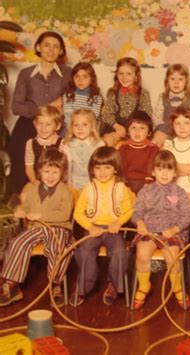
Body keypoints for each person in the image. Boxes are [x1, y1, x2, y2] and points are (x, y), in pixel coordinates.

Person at [0, 148, 74, 307]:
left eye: (55, 172)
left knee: (56, 248)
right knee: (17, 243)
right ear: (39, 171)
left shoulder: (65, 192)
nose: (51, 176)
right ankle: (13, 286)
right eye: (47, 171)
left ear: (62, 173)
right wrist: (19, 210)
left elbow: (65, 215)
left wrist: (40, 215)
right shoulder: (34, 190)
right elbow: (26, 208)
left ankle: (56, 285)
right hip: (37, 228)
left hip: (59, 228)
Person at [8, 31, 71, 194]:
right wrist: (43, 111)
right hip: (28, 124)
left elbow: (76, 95)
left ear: (61, 51)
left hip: (55, 126)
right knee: (19, 160)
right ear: (38, 47)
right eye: (46, 45)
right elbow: (16, 107)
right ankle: (19, 202)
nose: (51, 50)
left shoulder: (68, 74)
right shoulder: (26, 74)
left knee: (54, 164)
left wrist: (63, 100)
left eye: (56, 46)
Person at [71, 146, 133, 306]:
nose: (102, 172)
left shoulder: (121, 188)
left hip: (113, 229)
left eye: (107, 167)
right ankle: (83, 287)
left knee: (119, 252)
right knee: (84, 252)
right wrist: (90, 227)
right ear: (92, 169)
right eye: (98, 168)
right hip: (93, 229)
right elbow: (78, 213)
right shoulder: (88, 189)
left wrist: (118, 222)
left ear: (115, 169)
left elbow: (128, 211)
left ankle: (114, 285)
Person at [132, 150, 190, 310]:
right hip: (150, 231)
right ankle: (144, 286)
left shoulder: (179, 192)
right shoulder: (146, 191)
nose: (164, 173)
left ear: (174, 173)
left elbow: (187, 215)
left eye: (168, 169)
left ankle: (177, 288)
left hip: (172, 233)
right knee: (142, 254)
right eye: (160, 169)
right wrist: (140, 223)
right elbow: (137, 212)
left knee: (171, 255)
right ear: (153, 171)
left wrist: (175, 229)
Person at [101, 57, 152, 147]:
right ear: (117, 75)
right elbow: (106, 114)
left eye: (129, 74)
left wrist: (133, 129)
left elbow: (147, 115)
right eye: (121, 73)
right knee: (108, 140)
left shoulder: (143, 94)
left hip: (136, 128)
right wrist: (116, 126)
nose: (124, 77)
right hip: (117, 127)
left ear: (136, 76)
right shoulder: (113, 93)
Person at [164, 107, 190, 215]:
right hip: (173, 187)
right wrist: (183, 169)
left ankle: (183, 230)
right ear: (172, 125)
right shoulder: (169, 144)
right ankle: (173, 230)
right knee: (169, 209)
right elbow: (166, 168)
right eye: (177, 123)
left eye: (186, 123)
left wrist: (174, 168)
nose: (182, 127)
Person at [152, 64, 190, 147]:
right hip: (165, 132)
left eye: (180, 79)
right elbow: (156, 118)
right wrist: (168, 130)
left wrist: (179, 129)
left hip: (184, 132)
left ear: (186, 82)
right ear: (167, 81)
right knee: (157, 138)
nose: (176, 82)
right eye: (172, 79)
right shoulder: (163, 97)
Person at [61, 108, 105, 193]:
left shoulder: (99, 144)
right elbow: (67, 166)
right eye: (76, 125)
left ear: (92, 127)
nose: (80, 128)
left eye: (84, 124)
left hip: (93, 183)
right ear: (71, 127)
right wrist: (68, 183)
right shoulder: (68, 144)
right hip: (74, 184)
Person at [118, 111, 159, 194]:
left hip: (146, 181)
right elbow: (121, 167)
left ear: (149, 133)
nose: (137, 131)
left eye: (142, 128)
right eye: (133, 127)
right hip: (127, 182)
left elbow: (152, 168)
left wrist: (148, 183)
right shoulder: (123, 148)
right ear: (128, 132)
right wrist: (124, 183)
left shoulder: (153, 149)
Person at [61, 62, 103, 136]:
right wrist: (73, 129)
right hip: (71, 126)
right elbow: (68, 115)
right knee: (64, 140)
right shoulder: (68, 95)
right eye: (77, 76)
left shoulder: (96, 97)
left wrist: (85, 128)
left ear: (91, 80)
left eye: (85, 77)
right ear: (72, 79)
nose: (80, 80)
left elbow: (93, 116)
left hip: (89, 127)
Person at [24, 106, 63, 184]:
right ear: (35, 124)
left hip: (56, 182)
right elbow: (29, 168)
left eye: (48, 124)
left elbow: (64, 168)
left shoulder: (62, 143)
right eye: (40, 124)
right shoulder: (31, 143)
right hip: (36, 181)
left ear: (57, 126)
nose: (43, 128)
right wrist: (34, 182)